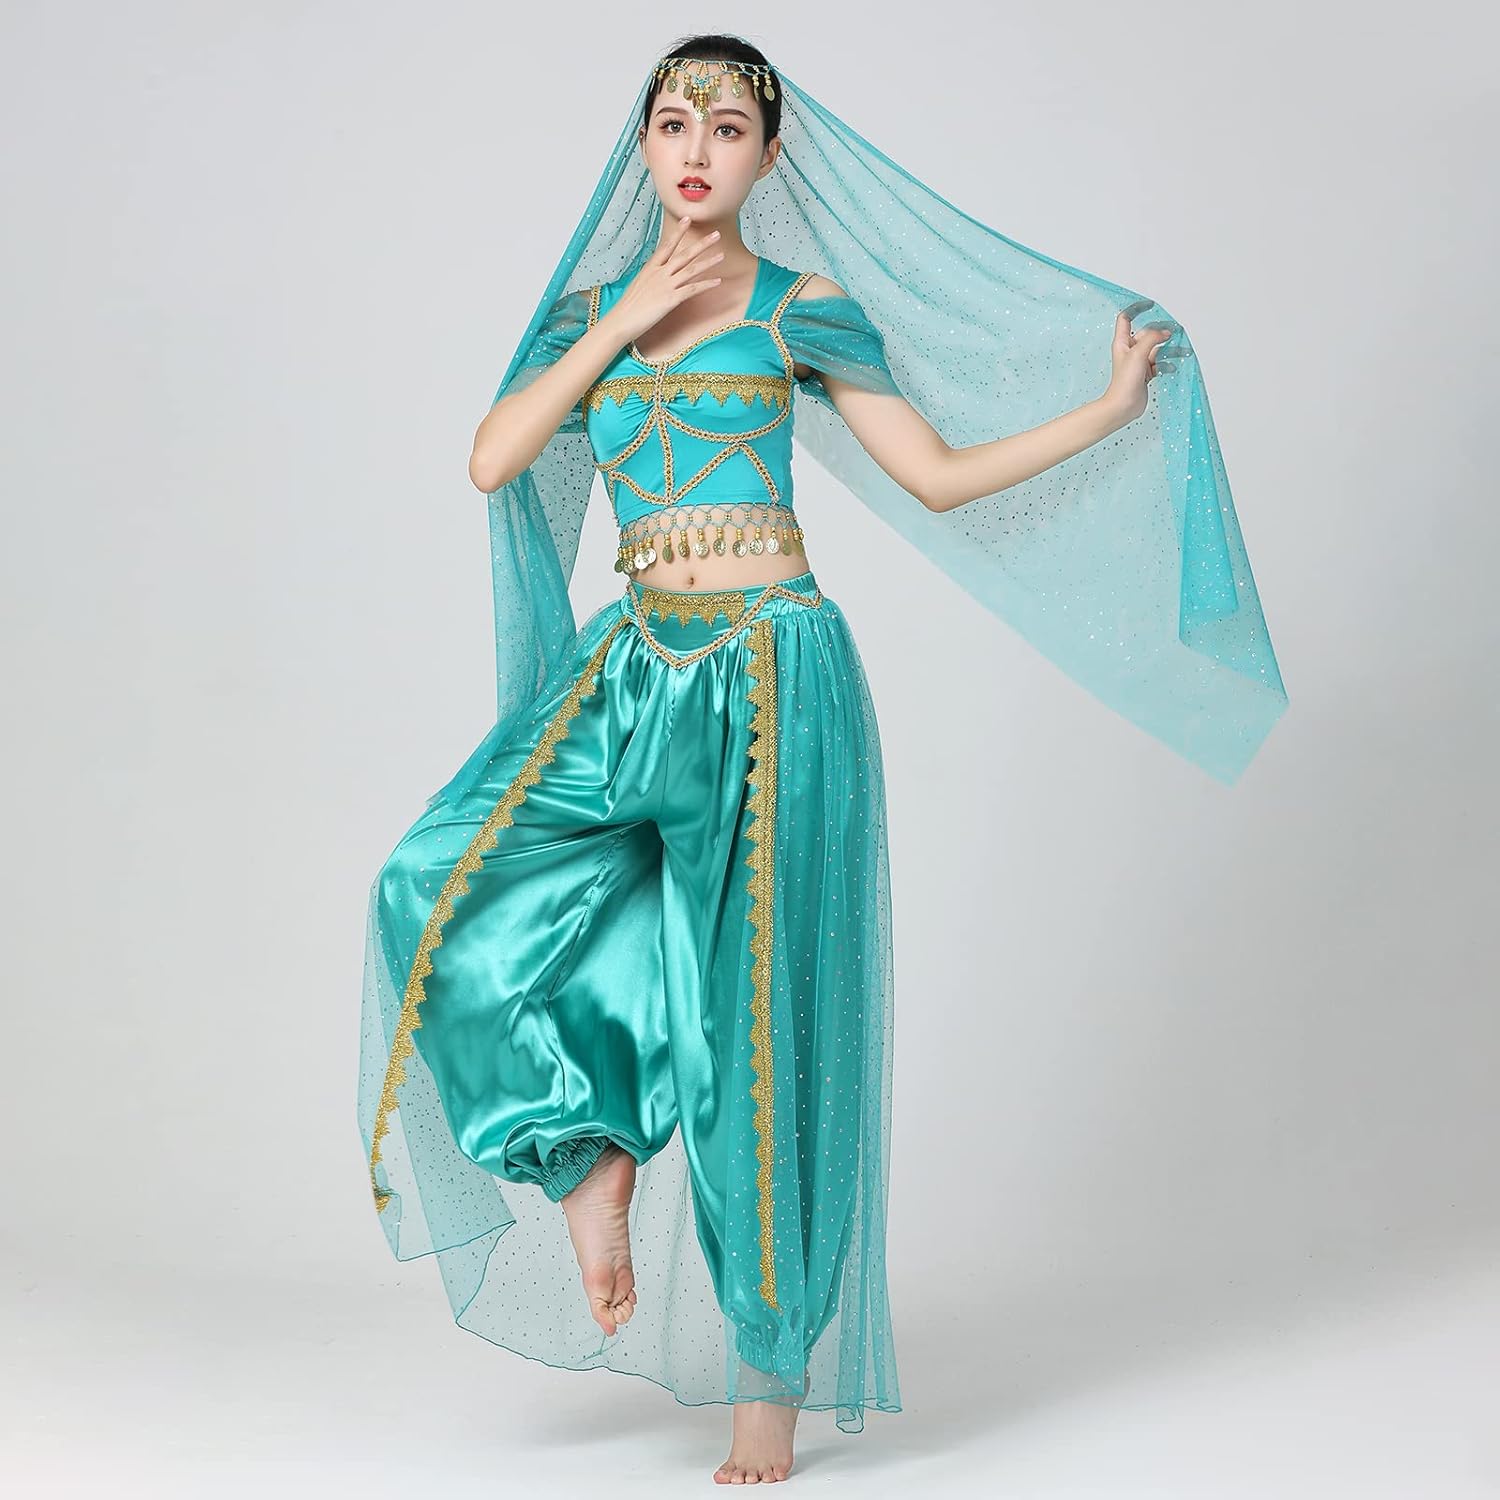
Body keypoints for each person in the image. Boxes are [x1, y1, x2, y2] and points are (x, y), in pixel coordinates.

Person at [357, 35, 1287, 1486]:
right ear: (644, 146)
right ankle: (586, 1154)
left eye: (729, 128)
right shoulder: (590, 312)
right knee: (429, 884)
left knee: (753, 1026)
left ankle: (767, 1379)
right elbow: (494, 458)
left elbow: (935, 476)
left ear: (768, 156)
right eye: (675, 124)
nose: (698, 151)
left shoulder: (804, 309)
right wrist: (622, 323)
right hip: (629, 668)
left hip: (773, 677)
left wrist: (1108, 412)